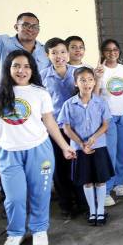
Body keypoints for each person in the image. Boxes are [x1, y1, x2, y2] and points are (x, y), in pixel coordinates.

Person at [0, 50, 76, 245]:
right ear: (8, 68)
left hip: (39, 150)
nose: (21, 70)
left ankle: (40, 230)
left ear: (32, 69)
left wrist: (65, 146)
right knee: (14, 197)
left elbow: (49, 122)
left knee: (40, 194)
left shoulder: (40, 92)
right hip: (9, 152)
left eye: (26, 66)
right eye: (16, 66)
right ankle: (15, 233)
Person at [59, 67, 114, 226]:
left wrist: (93, 138)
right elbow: (66, 127)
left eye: (90, 79)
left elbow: (105, 124)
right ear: (76, 83)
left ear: (94, 81)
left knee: (100, 180)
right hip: (79, 149)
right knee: (87, 181)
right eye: (82, 80)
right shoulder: (69, 104)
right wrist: (81, 143)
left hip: (99, 146)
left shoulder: (100, 102)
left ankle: (101, 210)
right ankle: (92, 211)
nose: (87, 83)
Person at [40, 38, 82, 219]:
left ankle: (82, 201)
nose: (59, 56)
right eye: (54, 53)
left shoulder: (77, 73)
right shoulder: (42, 76)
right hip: (55, 130)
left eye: (63, 52)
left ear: (68, 53)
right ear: (47, 55)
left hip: (77, 129)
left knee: (79, 166)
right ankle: (66, 204)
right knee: (60, 168)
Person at [95, 39, 123, 206]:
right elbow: (95, 94)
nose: (112, 53)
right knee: (109, 153)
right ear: (103, 52)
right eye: (108, 50)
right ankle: (106, 189)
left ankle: (120, 183)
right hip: (108, 117)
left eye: (115, 50)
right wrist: (97, 77)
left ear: (119, 52)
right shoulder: (99, 70)